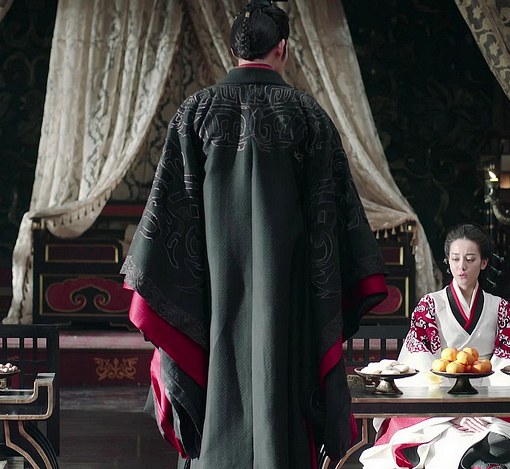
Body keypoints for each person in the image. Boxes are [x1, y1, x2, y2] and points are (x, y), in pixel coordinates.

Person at [120, 2, 387, 468]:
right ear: (282, 47)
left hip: (209, 301)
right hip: (289, 305)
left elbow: (169, 225)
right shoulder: (308, 115)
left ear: (233, 50)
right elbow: (332, 226)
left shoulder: (194, 114)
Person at [360, 223, 510, 468]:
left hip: (492, 402)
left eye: (470, 259)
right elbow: (420, 362)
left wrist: (483, 410)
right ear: (448, 261)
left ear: (483, 262)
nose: (461, 267)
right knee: (449, 440)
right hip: (440, 403)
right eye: (455, 259)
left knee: (500, 433)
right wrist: (455, 414)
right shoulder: (429, 306)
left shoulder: (499, 307)